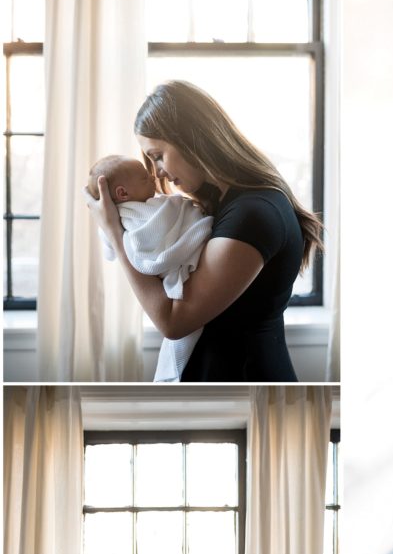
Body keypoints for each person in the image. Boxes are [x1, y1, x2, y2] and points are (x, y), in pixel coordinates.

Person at [84, 80, 324, 382]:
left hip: (245, 392)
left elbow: (173, 323)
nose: (157, 171)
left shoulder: (252, 213)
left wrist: (116, 234)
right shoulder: (226, 202)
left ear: (190, 140)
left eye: (158, 155)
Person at [87, 154, 212, 381]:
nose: (154, 178)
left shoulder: (126, 216)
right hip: (174, 268)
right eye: (145, 179)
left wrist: (113, 232)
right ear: (122, 194)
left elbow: (111, 247)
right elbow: (169, 221)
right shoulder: (150, 211)